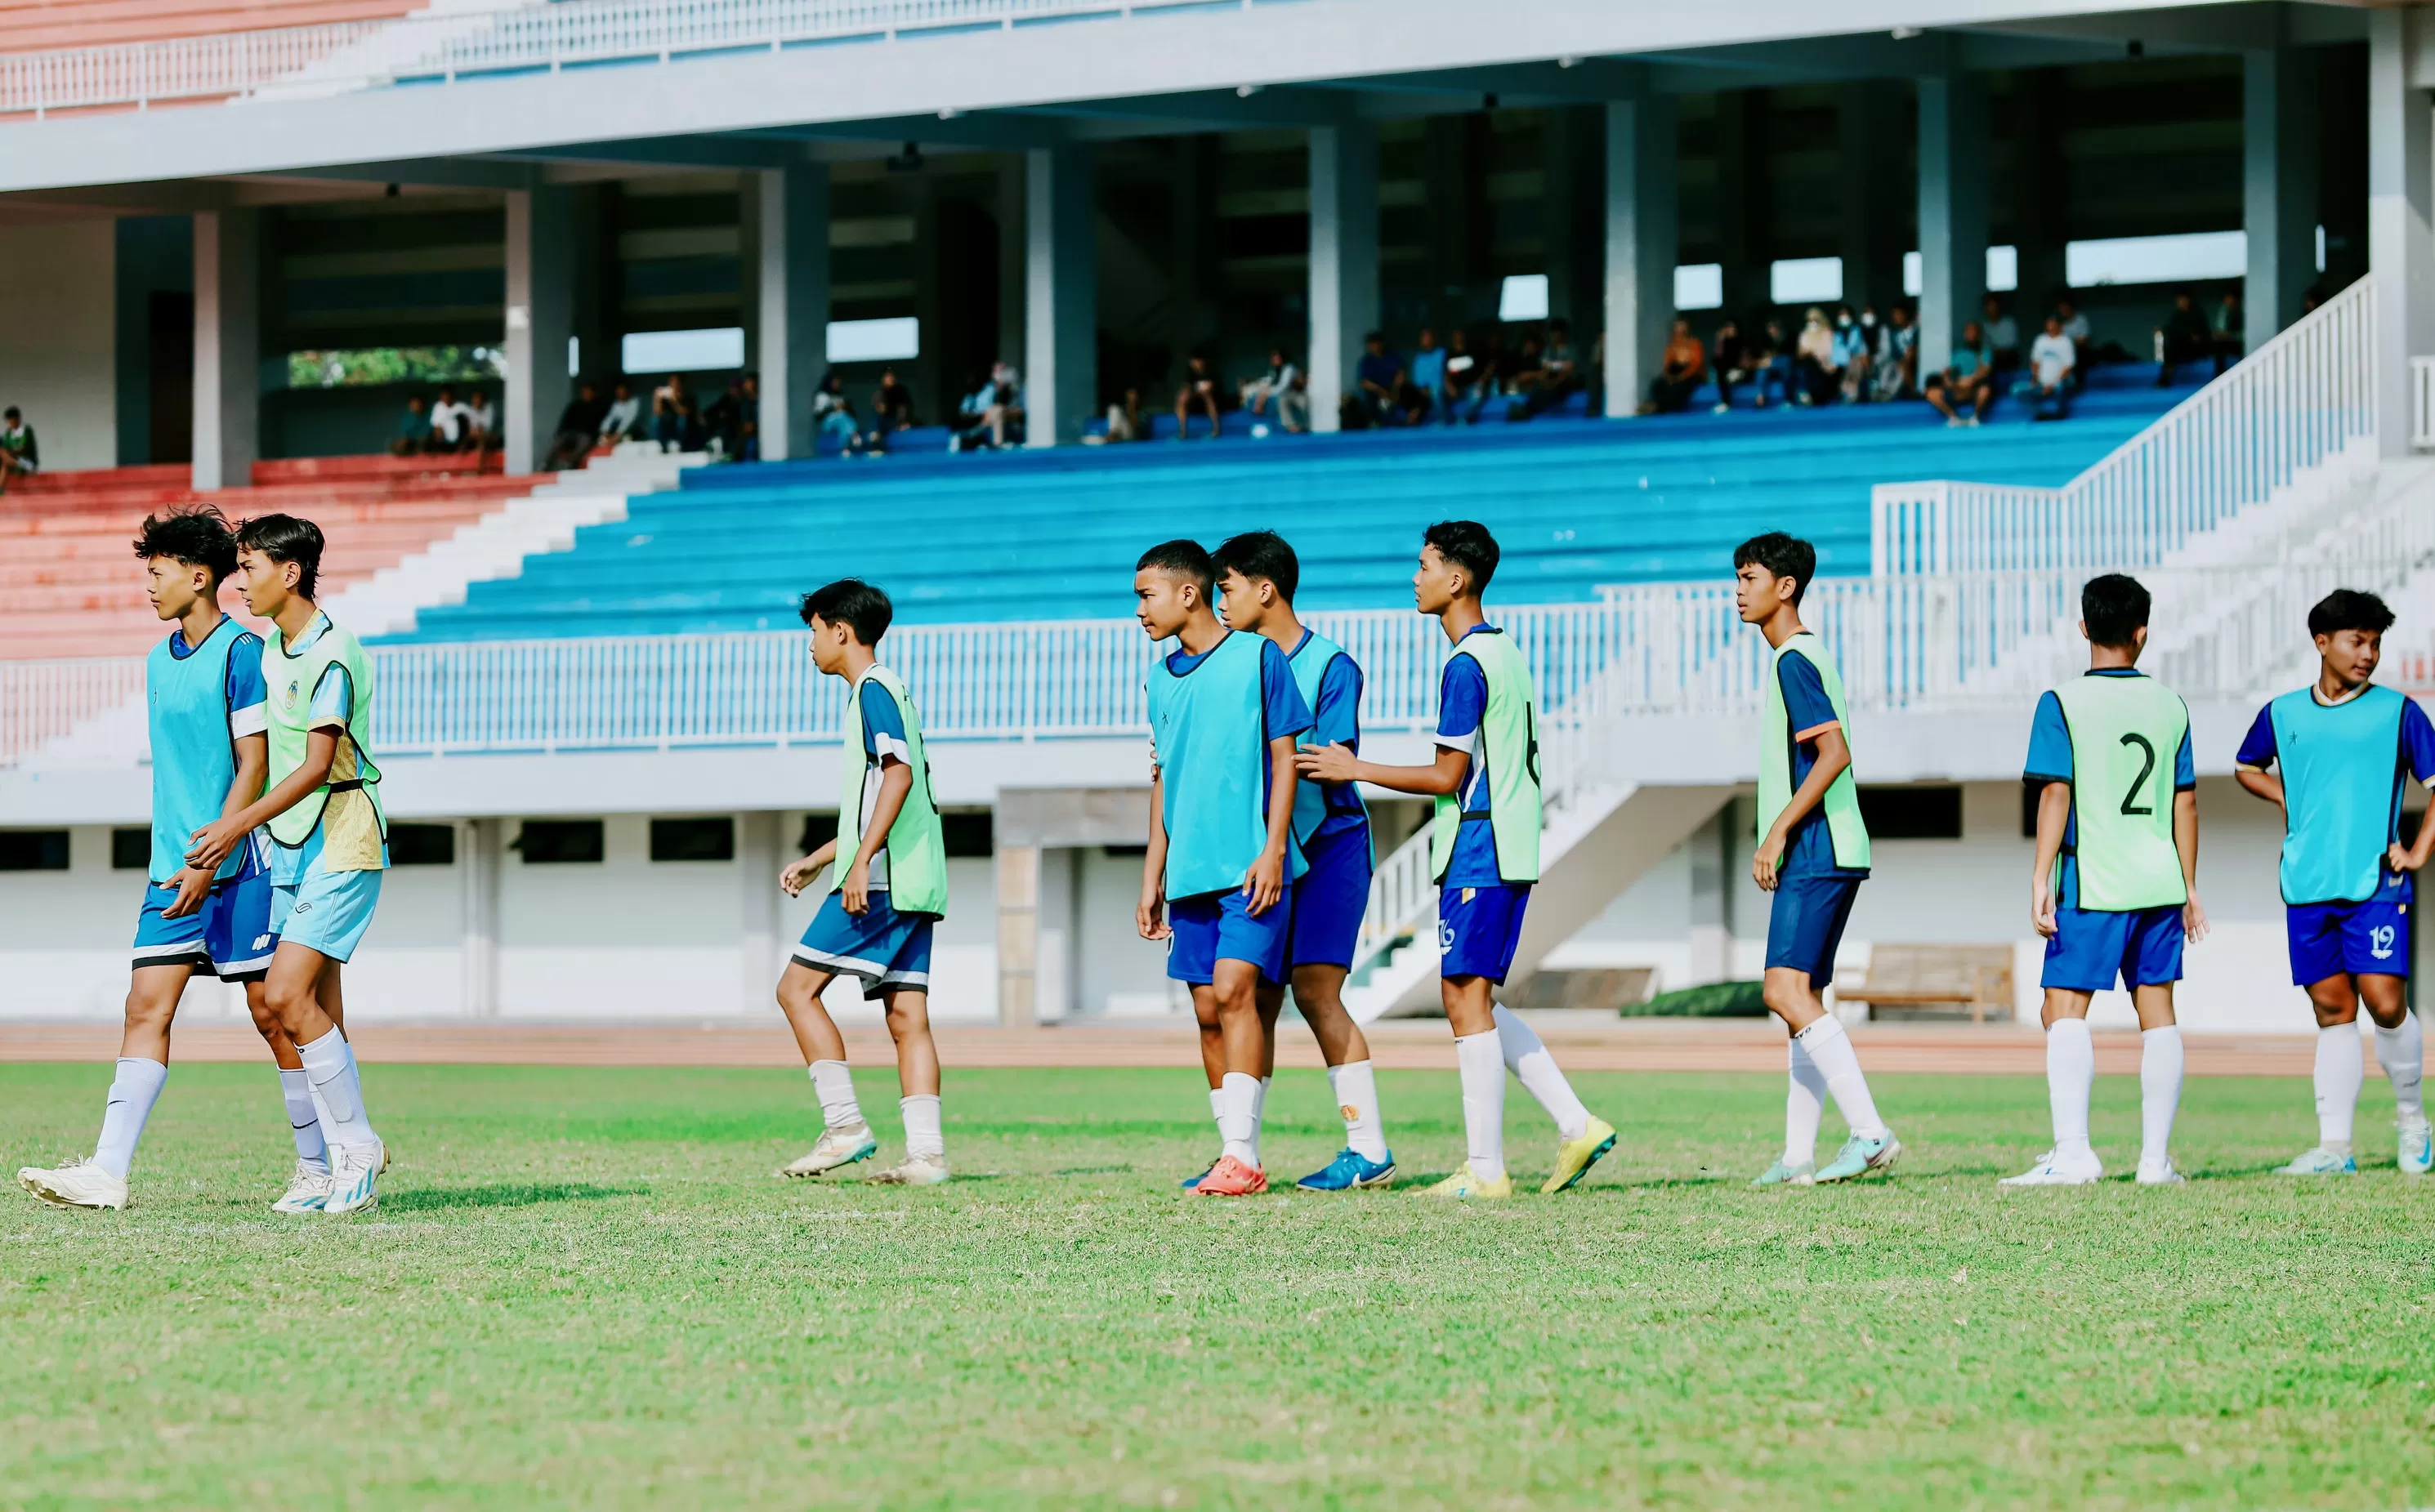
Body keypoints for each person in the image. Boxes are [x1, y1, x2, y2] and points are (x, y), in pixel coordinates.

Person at [1297, 523, 1615, 1200]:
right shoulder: (1506, 652)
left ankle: (1486, 1169)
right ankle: (1575, 1122)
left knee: (1462, 998)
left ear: (1457, 578)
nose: (1415, 578)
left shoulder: (1466, 663)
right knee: (1476, 999)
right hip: (1504, 842)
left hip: (1482, 844)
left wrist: (1356, 767)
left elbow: (1448, 776)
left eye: (1424, 565)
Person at [15, 507, 319, 1213]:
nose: (148, 587)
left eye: (158, 573)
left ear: (199, 576)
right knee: (144, 1005)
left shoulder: (242, 654)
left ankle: (320, 1162)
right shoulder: (157, 659)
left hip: (235, 868)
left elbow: (254, 766)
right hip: (168, 871)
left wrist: (214, 855)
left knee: (272, 1014)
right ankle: (108, 1173)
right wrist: (180, 860)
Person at [183, 515, 391, 1215]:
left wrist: (234, 824)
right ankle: (339, 1163)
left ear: (291, 571)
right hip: (293, 844)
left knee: (282, 994)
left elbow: (318, 764)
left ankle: (359, 1147)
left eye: (251, 567)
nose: (241, 582)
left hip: (342, 834)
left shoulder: (333, 651)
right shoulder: (274, 648)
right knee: (318, 1007)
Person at [2004, 574, 2205, 1187]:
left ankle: (2074, 1154)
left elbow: (2056, 792)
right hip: (2159, 883)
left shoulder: (2061, 702)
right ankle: (2154, 1162)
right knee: (2159, 1012)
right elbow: (2186, 804)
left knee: (2062, 1008)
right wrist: (2190, 887)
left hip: (2092, 882)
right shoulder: (2171, 704)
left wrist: (2041, 876)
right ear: (2143, 632)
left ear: (2084, 626)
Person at [1211, 532, 1395, 1192]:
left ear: (1265, 589)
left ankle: (1368, 1147)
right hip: (1269, 852)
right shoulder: (1233, 662)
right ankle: (1242, 1154)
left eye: (1226, 587)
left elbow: (1326, 760)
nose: (1218, 601)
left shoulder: (1330, 664)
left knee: (1316, 991)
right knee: (1255, 995)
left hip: (1327, 847)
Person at [2234, 590, 2435, 1177]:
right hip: (2306, 884)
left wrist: (2417, 850)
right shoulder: (2282, 712)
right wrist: (2285, 797)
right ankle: (2335, 1147)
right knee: (2332, 1007)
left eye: (2375, 642)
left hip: (2374, 883)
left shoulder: (2399, 712)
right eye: (2357, 641)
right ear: (2321, 642)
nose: (2368, 654)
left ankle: (2413, 1122)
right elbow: (2247, 766)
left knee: (2384, 1000)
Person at [1134, 539, 1311, 1198]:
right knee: (1208, 1010)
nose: (1140, 611)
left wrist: (1272, 849)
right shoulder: (1157, 678)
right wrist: (1152, 874)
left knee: (1237, 991)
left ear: (1189, 592)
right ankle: (1236, 1151)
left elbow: (1286, 758)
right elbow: (1161, 781)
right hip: (1187, 877)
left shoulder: (1259, 656)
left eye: (1146, 595)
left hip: (1251, 869)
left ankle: (1240, 1154)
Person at [772, 579, 953, 1186]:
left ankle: (844, 1124)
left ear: (840, 631)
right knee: (908, 1016)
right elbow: (887, 792)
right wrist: (826, 856)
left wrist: (860, 862)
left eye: (814, 632)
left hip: (885, 883)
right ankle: (926, 1156)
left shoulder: (872, 689)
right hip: (916, 879)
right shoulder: (888, 689)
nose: (811, 645)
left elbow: (897, 778)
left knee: (795, 990)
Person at [1733, 531, 1901, 1186]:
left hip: (1816, 848)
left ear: (1786, 587)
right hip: (1832, 847)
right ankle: (1798, 1156)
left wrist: (1776, 831)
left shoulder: (1792, 660)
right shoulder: (1802, 655)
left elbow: (1834, 753)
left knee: (1781, 989)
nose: (1738, 591)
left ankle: (1870, 1132)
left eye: (1749, 578)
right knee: (1802, 996)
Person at [1923, 321, 1996, 426]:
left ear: (1979, 334)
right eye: (1969, 331)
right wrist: (1948, 381)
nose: (1972, 334)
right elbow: (1948, 370)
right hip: (1957, 388)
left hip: (1973, 388)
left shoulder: (1985, 352)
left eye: (1974, 331)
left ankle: (1974, 418)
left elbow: (1986, 370)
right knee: (1931, 393)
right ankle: (1953, 417)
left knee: (1985, 391)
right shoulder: (1958, 352)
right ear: (1965, 334)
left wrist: (1971, 380)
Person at [1514, 318, 1584, 420]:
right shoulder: (1549, 350)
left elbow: (1569, 367)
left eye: (1557, 333)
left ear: (1563, 334)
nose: (1555, 336)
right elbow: (1545, 367)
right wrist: (1557, 367)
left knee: (1559, 383)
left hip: (1567, 382)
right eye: (1553, 333)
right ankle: (1527, 409)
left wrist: (1554, 367)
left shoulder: (1572, 349)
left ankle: (1528, 410)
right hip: (1551, 380)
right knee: (1541, 386)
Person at [2016, 314, 2077, 421]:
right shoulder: (2040, 340)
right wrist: (2036, 380)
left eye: (2053, 324)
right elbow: (2035, 362)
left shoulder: (2066, 341)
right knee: (2017, 390)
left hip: (2060, 382)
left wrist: (2052, 385)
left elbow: (2068, 367)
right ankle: (2041, 414)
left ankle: (2059, 414)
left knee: (2062, 387)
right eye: (2049, 324)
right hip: (2042, 383)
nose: (2051, 327)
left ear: (2060, 326)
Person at [1642, 318, 1706, 414]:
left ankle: (1663, 408)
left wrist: (1681, 377)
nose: (1679, 330)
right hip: (1675, 372)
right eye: (1677, 327)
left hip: (1692, 375)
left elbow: (1696, 365)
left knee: (1680, 387)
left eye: (1682, 327)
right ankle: (1657, 406)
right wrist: (1670, 377)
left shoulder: (1695, 344)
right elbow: (1667, 364)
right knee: (1659, 384)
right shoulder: (1672, 346)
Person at [543, 382, 607, 471]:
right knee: (557, 442)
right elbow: (564, 422)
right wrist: (560, 433)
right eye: (584, 392)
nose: (586, 394)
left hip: (586, 435)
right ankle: (545, 467)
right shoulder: (575, 405)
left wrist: (594, 437)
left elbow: (599, 427)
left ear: (593, 393)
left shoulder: (598, 408)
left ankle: (569, 465)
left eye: (588, 392)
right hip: (571, 433)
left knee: (583, 443)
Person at [1239, 349, 1305, 434]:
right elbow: (1269, 380)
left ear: (1282, 358)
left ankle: (1259, 408)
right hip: (1286, 395)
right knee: (1257, 390)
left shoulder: (1289, 368)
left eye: (1276, 358)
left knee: (1280, 399)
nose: (1274, 360)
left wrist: (1267, 392)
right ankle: (1289, 426)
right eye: (1273, 358)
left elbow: (1283, 387)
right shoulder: (1275, 370)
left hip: (1297, 394)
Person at [2156, 290, 2213, 387]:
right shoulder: (2177, 316)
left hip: (2195, 350)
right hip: (2179, 349)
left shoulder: (2197, 315)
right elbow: (2171, 329)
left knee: (2175, 348)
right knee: (2168, 347)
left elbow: (2203, 335)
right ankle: (2164, 378)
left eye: (2182, 300)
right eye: (2178, 300)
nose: (2180, 303)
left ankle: (2165, 379)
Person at [1441, 330, 1492, 424]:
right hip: (1455, 389)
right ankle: (1444, 421)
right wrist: (1449, 387)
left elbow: (1486, 368)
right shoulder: (1450, 354)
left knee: (1477, 396)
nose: (1458, 339)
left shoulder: (1472, 352)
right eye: (1456, 337)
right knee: (1438, 393)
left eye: (1460, 336)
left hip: (1471, 386)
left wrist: (1481, 381)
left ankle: (1462, 417)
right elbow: (1446, 375)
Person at [1353, 332, 1402, 427]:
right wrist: (1380, 390)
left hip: (1392, 391)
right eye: (1370, 344)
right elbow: (1364, 382)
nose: (1371, 346)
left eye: (1374, 343)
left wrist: (1395, 390)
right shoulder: (1366, 361)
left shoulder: (1392, 357)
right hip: (1375, 393)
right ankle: (1374, 423)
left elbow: (1400, 374)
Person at [1871, 304, 1919, 402]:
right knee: (1889, 367)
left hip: (1914, 361)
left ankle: (1893, 394)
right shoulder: (1894, 333)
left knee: (1904, 366)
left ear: (1906, 314)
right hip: (1898, 361)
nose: (1896, 318)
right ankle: (1883, 390)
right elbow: (1892, 353)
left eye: (1898, 314)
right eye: (1894, 315)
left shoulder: (1916, 331)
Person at [864, 367, 915, 453]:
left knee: (881, 424)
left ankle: (877, 444)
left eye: (891, 377)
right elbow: (879, 409)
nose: (889, 379)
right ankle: (874, 437)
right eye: (887, 377)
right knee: (877, 420)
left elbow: (905, 409)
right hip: (884, 421)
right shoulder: (880, 392)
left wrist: (903, 422)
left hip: (896, 421)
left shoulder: (901, 391)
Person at [1793, 308, 1837, 406]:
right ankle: (1804, 393)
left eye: (1815, 320)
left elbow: (1827, 351)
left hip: (1825, 366)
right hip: (1809, 365)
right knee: (1803, 364)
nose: (1812, 323)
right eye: (1810, 320)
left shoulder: (1828, 333)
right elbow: (1801, 351)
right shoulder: (1804, 335)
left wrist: (1814, 353)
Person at [1174, 353, 1223, 440]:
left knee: (1208, 396)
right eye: (1194, 361)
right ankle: (1182, 432)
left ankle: (1215, 430)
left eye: (1198, 361)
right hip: (1194, 403)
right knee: (1182, 398)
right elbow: (1186, 388)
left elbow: (1212, 388)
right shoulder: (1188, 373)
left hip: (1213, 403)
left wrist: (1203, 389)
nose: (1196, 363)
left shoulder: (1211, 372)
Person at [1830, 306, 1872, 403]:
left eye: (1846, 315)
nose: (1844, 317)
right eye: (1842, 315)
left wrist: (1866, 367)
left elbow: (1863, 349)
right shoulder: (1835, 333)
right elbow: (1832, 353)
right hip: (1837, 367)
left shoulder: (1857, 331)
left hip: (1853, 366)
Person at [1406, 328, 1448, 424]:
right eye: (1423, 338)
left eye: (1428, 338)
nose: (1426, 340)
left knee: (1435, 392)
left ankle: (1442, 421)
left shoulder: (1442, 354)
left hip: (1440, 387)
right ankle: (1411, 420)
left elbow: (1447, 374)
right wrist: (1423, 389)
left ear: (1433, 339)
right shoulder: (1418, 359)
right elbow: (1417, 380)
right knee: (1407, 391)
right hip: (1424, 390)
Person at [811, 372, 858, 453]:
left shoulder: (840, 396)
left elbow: (852, 414)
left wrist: (846, 407)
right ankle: (854, 435)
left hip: (841, 423)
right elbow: (818, 415)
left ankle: (846, 448)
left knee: (843, 420)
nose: (837, 384)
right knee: (841, 416)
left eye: (838, 382)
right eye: (835, 382)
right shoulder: (822, 396)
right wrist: (833, 409)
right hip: (826, 424)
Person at [1709, 317, 1747, 413]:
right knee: (1720, 372)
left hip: (1742, 371)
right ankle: (1724, 402)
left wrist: (1738, 369)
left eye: (1732, 328)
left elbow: (1744, 362)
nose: (1730, 331)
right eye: (1728, 328)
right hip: (1727, 372)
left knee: (1725, 375)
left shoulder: (1742, 342)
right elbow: (1717, 359)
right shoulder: (1724, 343)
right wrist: (1720, 341)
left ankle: (1726, 402)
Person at [651, 373, 694, 453]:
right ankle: (663, 446)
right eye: (672, 382)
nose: (674, 385)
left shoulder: (687, 395)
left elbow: (683, 413)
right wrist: (657, 399)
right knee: (655, 420)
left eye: (677, 383)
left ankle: (682, 445)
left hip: (681, 427)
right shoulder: (665, 396)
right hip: (667, 424)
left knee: (682, 420)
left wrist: (674, 401)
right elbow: (657, 413)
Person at [2056, 298, 2093, 387]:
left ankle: (2078, 384)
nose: (2063, 311)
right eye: (2061, 309)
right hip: (2063, 352)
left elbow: (2084, 340)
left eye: (2065, 308)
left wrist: (2069, 345)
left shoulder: (2081, 319)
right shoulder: (2060, 323)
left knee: (2078, 354)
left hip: (2079, 351)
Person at [0, 404, 36, 491]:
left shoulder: (26, 430)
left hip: (27, 462)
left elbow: (22, 448)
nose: (9, 423)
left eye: (10, 420)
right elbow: (5, 448)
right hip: (12, 462)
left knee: (5, 460)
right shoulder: (9, 433)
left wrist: (10, 451)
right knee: (5, 462)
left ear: (17, 419)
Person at [1983, 295, 2021, 375]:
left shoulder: (2009, 323)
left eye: (1994, 306)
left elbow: (2011, 347)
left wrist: (1996, 351)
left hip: (2009, 362)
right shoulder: (1985, 326)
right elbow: (1985, 348)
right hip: (1991, 364)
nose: (1992, 309)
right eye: (1989, 306)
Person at [598, 380, 642, 445]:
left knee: (626, 440)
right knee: (602, 440)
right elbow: (609, 418)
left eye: (622, 390)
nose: (620, 393)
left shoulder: (634, 402)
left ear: (627, 391)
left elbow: (628, 421)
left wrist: (617, 436)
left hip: (631, 432)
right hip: (616, 433)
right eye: (618, 391)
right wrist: (604, 431)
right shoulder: (616, 404)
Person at [2211, 291, 2245, 373]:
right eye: (2226, 298)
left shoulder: (2242, 311)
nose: (2227, 301)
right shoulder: (2224, 310)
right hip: (2225, 342)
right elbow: (2219, 328)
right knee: (2217, 345)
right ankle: (2218, 375)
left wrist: (2231, 335)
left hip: (2239, 343)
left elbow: (2245, 334)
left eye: (2229, 298)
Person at [388, 395, 431, 459]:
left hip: (421, 443)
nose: (416, 406)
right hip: (409, 444)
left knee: (424, 442)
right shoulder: (407, 418)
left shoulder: (426, 417)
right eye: (414, 404)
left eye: (418, 403)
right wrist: (403, 440)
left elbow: (427, 432)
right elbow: (404, 434)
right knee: (394, 445)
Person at [429, 385, 468, 453]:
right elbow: (436, 426)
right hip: (444, 441)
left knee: (462, 419)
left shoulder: (461, 407)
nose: (446, 398)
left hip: (459, 441)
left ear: (452, 395)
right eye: (443, 395)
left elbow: (468, 426)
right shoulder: (438, 407)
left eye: (447, 395)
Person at [462, 388, 498, 454]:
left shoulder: (489, 408)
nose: (477, 401)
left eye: (479, 398)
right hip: (475, 436)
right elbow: (471, 430)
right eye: (475, 399)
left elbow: (486, 428)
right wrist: (476, 431)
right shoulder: (471, 410)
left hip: (488, 437)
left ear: (483, 400)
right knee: (465, 441)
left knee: (482, 441)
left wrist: (478, 430)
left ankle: (479, 461)